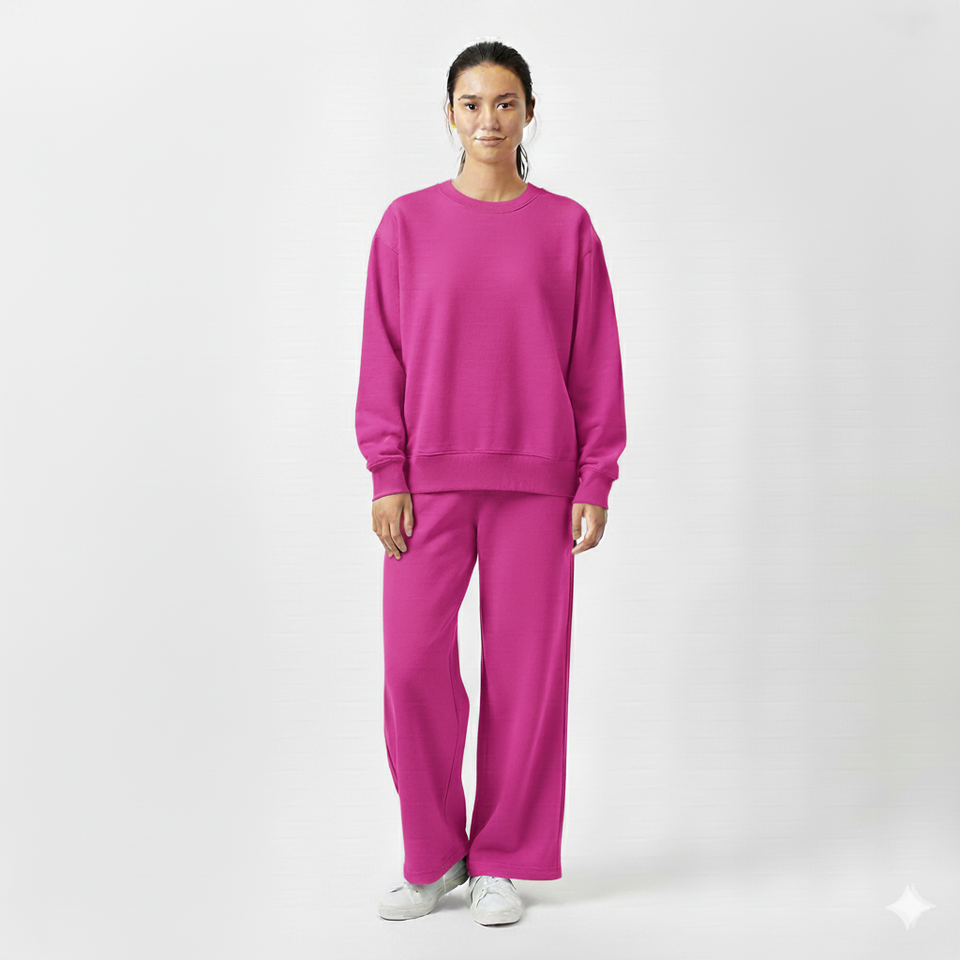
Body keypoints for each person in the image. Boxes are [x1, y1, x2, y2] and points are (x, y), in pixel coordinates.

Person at [355, 40, 627, 926]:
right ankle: (433, 856)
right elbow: (382, 356)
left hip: (539, 485)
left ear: (529, 112)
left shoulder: (568, 228)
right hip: (426, 486)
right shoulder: (405, 225)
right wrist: (387, 471)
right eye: (472, 104)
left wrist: (595, 477)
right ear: (449, 114)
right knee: (411, 668)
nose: (488, 120)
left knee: (525, 678)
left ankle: (503, 858)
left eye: (505, 103)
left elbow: (595, 362)